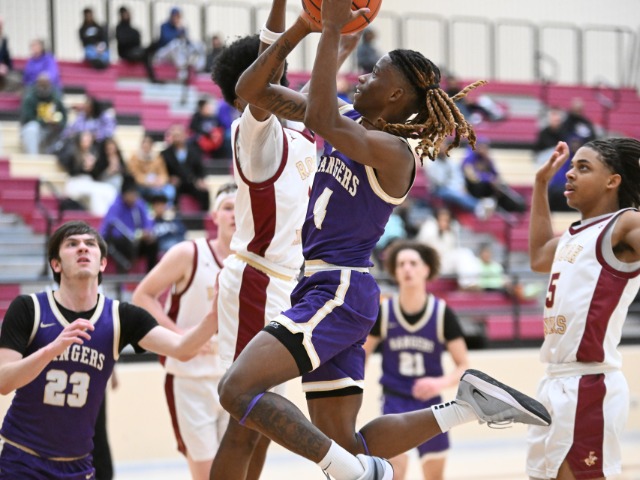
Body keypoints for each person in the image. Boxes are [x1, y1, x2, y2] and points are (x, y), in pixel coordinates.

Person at [218, 2, 550, 479]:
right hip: (324, 289)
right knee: (344, 441)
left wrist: (332, 29)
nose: (362, 77)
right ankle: (465, 407)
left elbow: (322, 117)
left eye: (374, 74)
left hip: (338, 291)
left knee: (236, 389)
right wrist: (303, 26)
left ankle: (358, 474)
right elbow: (249, 90)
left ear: (394, 94)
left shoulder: (395, 154)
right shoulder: (347, 116)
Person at [209, 3, 358, 475]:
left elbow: (313, 89)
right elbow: (267, 62)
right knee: (245, 416)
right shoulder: (253, 132)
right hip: (258, 280)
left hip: (287, 284)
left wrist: (341, 37)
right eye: (275, 69)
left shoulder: (295, 128)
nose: (282, 74)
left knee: (263, 423)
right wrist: (296, 19)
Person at [0, 220, 219, 479]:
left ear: (103, 263)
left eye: (90, 244)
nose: (83, 248)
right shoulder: (29, 308)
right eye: (72, 244)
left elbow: (182, 349)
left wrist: (215, 314)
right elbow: (4, 381)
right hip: (23, 461)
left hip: (77, 465)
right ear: (56, 264)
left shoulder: (121, 316)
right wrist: (51, 350)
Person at [527, 137, 640, 480]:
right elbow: (537, 257)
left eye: (584, 167)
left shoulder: (626, 223)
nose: (570, 173)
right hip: (554, 382)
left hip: (590, 383)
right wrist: (540, 183)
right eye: (572, 166)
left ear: (612, 181)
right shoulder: (573, 236)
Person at [132, 183, 237, 480]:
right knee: (206, 474)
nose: (234, 215)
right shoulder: (189, 252)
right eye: (228, 208)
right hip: (190, 380)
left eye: (241, 208)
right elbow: (142, 296)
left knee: (235, 472)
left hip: (235, 379)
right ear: (214, 216)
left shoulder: (254, 263)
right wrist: (179, 335)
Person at [364, 241, 470, 480]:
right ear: (394, 271)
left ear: (426, 269)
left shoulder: (441, 313)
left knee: (434, 476)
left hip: (430, 405)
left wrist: (439, 383)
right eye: (401, 264)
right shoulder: (385, 311)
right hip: (394, 402)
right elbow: (361, 356)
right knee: (395, 473)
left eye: (413, 263)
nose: (407, 268)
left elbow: (464, 365)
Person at [100, 176, 159, 273]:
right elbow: (113, 228)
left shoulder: (139, 204)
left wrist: (147, 232)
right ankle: (122, 276)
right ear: (124, 195)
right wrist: (134, 235)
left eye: (135, 195)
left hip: (136, 240)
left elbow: (147, 221)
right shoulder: (115, 206)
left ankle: (151, 274)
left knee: (152, 244)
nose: (133, 197)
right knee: (125, 243)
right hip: (120, 240)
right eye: (131, 194)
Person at [462, 137, 526, 213]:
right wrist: (488, 179)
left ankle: (516, 207)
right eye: (482, 146)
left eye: (486, 146)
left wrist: (494, 179)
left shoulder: (486, 159)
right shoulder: (469, 158)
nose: (484, 149)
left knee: (501, 187)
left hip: (489, 187)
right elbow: (472, 177)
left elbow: (496, 174)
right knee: (487, 187)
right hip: (475, 188)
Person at [161, 124, 210, 211]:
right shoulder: (165, 154)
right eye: (175, 135)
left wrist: (200, 179)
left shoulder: (194, 151)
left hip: (191, 181)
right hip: (176, 183)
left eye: (179, 135)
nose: (177, 138)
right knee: (172, 191)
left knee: (204, 191)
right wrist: (169, 178)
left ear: (184, 135)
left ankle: (203, 215)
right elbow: (162, 170)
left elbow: (200, 168)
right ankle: (176, 213)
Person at [152, 7, 206, 84]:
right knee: (176, 43)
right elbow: (166, 39)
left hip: (176, 54)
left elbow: (187, 42)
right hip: (163, 53)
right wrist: (178, 31)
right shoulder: (164, 26)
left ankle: (198, 68)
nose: (176, 18)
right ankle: (182, 70)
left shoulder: (182, 27)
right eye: (175, 16)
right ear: (171, 16)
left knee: (200, 45)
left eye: (178, 16)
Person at [19, 72, 67, 154]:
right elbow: (28, 119)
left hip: (51, 130)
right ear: (37, 84)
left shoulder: (55, 96)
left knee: (66, 131)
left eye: (46, 84)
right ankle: (33, 157)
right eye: (42, 84)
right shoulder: (30, 97)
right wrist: (45, 121)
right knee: (32, 128)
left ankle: (55, 156)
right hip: (36, 130)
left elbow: (64, 115)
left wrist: (59, 123)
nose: (44, 87)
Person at [115, 6, 160, 83]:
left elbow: (137, 43)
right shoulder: (119, 28)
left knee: (148, 51)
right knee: (144, 54)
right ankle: (152, 78)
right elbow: (123, 42)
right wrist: (131, 39)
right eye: (125, 14)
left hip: (136, 51)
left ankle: (153, 77)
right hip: (126, 53)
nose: (128, 16)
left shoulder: (134, 30)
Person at [127, 134, 176, 204]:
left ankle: (166, 207)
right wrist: (148, 181)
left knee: (170, 190)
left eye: (149, 144)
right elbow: (134, 174)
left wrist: (161, 181)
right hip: (142, 185)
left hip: (157, 184)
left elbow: (163, 173)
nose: (146, 146)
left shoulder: (157, 158)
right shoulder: (134, 158)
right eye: (145, 144)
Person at [0, 17, 21, 92]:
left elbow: (7, 59)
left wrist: (9, 69)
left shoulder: (4, 40)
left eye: (1, 26)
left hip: (2, 73)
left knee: (17, 78)